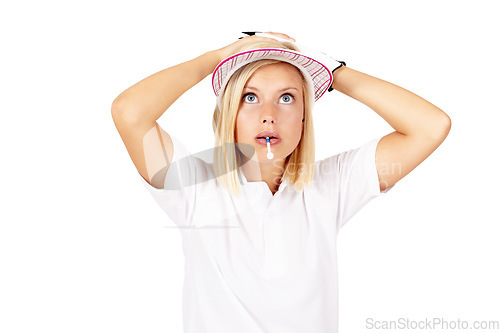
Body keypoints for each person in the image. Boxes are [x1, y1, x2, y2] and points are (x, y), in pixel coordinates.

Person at [111, 32, 451, 333]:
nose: (268, 114)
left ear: (304, 118)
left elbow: (430, 126)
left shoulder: (331, 185)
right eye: (250, 97)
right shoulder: (194, 185)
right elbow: (130, 112)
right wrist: (217, 58)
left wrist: (332, 71)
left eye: (287, 97)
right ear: (229, 113)